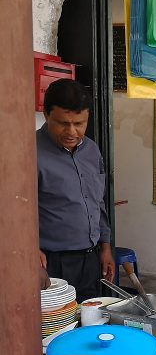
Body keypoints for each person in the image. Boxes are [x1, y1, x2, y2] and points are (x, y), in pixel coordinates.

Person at [37, 79, 115, 301]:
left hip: (90, 260)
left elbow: (97, 202)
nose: (72, 131)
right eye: (63, 123)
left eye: (80, 124)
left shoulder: (91, 149)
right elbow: (15, 212)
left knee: (89, 321)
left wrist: (105, 247)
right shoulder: (30, 153)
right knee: (56, 328)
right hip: (51, 262)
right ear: (46, 115)